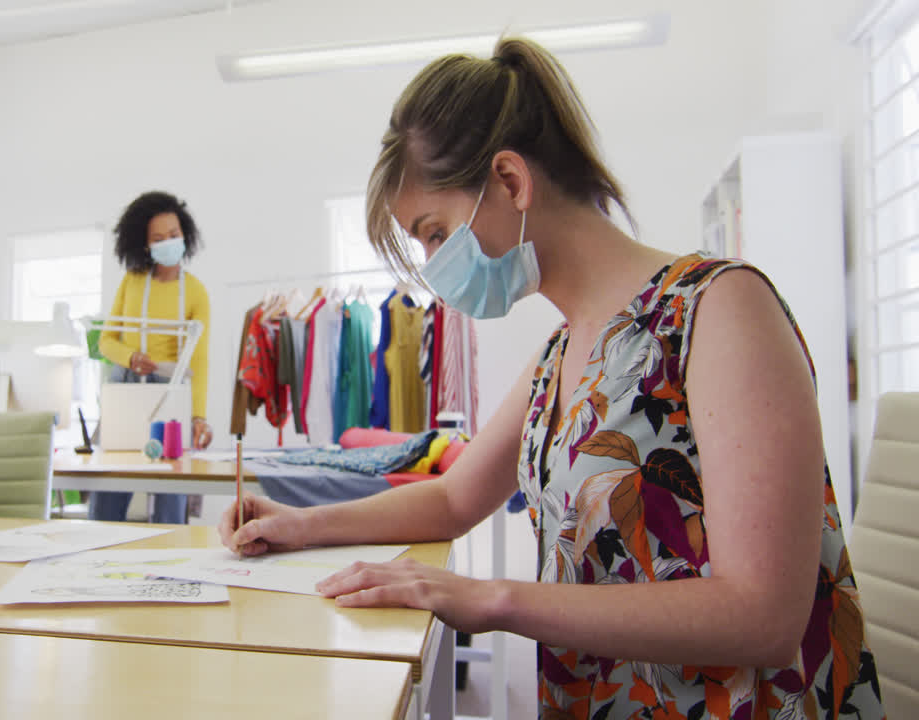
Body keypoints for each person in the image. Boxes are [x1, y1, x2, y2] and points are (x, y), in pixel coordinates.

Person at [221, 38, 886, 719]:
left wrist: (493, 598)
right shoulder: (561, 355)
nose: (432, 263)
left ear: (510, 182)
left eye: (433, 231)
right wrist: (301, 526)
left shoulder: (720, 311)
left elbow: (764, 615)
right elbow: (454, 499)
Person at [93, 191, 212, 523]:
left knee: (170, 488)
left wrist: (198, 416)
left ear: (185, 235)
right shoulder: (131, 282)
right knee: (111, 481)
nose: (168, 242)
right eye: (158, 238)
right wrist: (130, 357)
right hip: (125, 389)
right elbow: (106, 341)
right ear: (144, 245)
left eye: (173, 235)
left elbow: (198, 361)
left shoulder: (196, 292)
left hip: (171, 394)